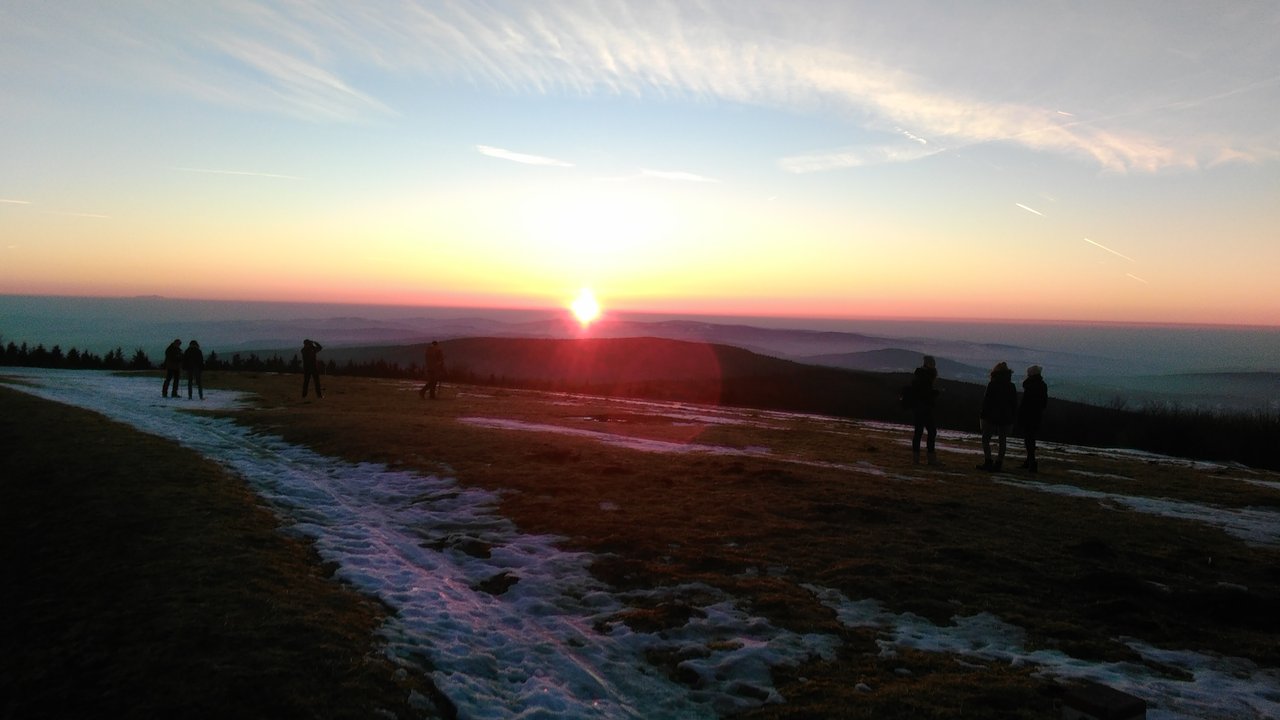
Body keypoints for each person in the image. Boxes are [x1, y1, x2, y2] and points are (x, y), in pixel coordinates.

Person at [978, 361, 1018, 471]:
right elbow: (1014, 403)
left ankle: (988, 461)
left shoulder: (992, 384)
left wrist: (982, 415)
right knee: (1002, 440)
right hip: (1006, 416)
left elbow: (987, 401)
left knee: (986, 439)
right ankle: (999, 463)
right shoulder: (1011, 386)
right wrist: (1013, 417)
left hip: (991, 415)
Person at [908, 355, 940, 465]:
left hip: (918, 407)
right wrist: (935, 393)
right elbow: (925, 393)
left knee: (919, 432)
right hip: (924, 407)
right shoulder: (926, 376)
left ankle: (916, 459)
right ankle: (931, 459)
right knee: (931, 431)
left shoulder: (919, 375)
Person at [1018, 365, 1049, 473]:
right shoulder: (1043, 385)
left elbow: (1025, 402)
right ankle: (1029, 461)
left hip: (1028, 415)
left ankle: (1032, 462)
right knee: (1031, 438)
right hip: (1036, 415)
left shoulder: (1030, 385)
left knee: (1028, 439)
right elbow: (1044, 403)